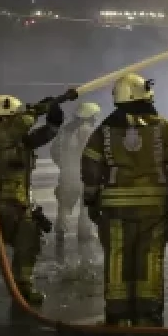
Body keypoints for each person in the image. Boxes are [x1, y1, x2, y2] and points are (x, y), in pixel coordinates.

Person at [81, 73, 168, 327]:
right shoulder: (163, 126)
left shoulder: (104, 130)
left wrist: (91, 200)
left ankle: (118, 315)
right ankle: (147, 315)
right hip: (153, 207)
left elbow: (90, 166)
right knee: (150, 257)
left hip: (115, 210)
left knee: (117, 258)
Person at [0, 92, 68, 305]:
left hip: (21, 203)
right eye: (16, 116)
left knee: (29, 243)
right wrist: (37, 109)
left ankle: (23, 286)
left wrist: (53, 124)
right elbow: (18, 126)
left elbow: (36, 137)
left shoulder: (16, 142)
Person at [52, 102, 101, 241]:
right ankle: (85, 241)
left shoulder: (64, 130)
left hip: (67, 175)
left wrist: (63, 166)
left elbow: (54, 151)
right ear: (90, 116)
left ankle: (60, 237)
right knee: (86, 209)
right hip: (85, 176)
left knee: (64, 207)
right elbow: (95, 154)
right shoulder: (89, 131)